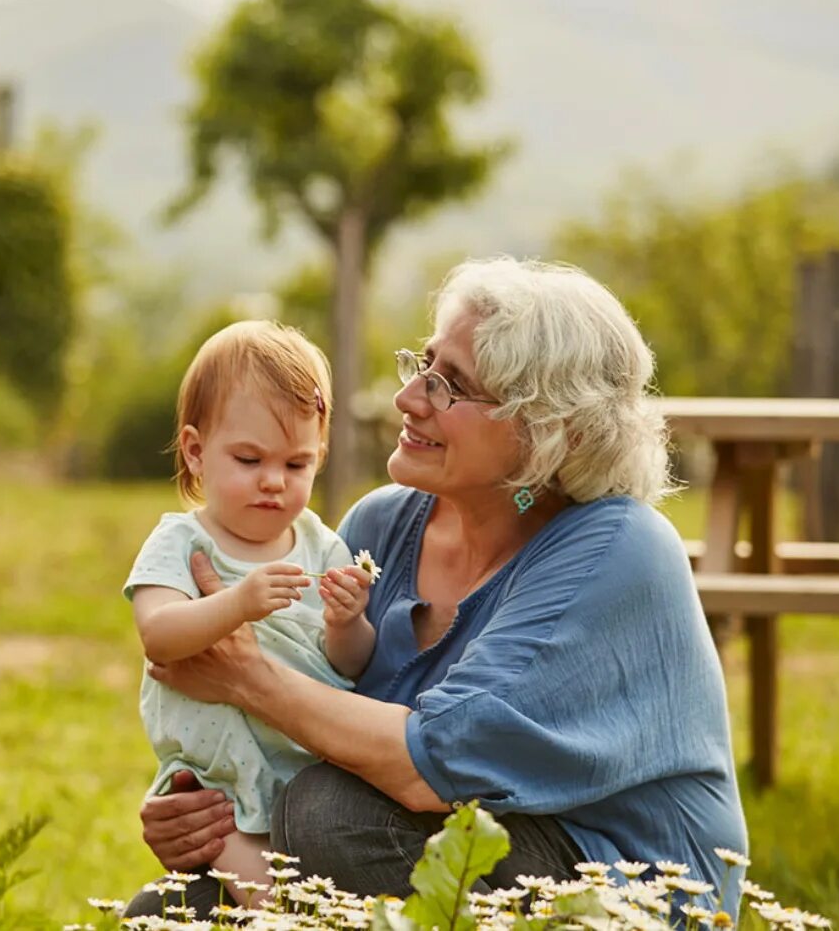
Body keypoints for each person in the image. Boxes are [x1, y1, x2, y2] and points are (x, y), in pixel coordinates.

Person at [128, 257, 747, 917]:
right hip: (431, 839)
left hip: (618, 884)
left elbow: (431, 766)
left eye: (449, 385)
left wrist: (243, 676)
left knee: (327, 816)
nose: (408, 397)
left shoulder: (619, 549)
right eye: (421, 365)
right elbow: (314, 708)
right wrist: (202, 801)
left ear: (544, 429)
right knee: (166, 911)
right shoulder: (379, 525)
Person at [124, 320, 375, 907]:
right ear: (196, 450)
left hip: (307, 765)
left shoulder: (323, 545)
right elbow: (159, 636)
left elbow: (352, 665)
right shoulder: (183, 543)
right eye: (248, 458)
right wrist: (235, 602)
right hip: (220, 782)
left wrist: (346, 623)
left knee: (323, 889)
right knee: (278, 905)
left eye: (296, 465)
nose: (272, 482)